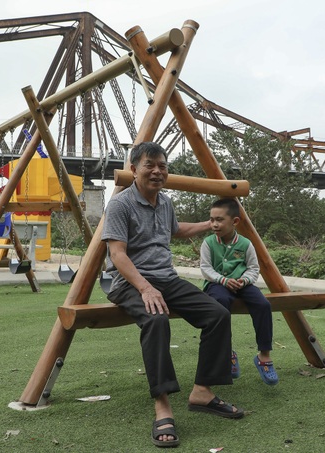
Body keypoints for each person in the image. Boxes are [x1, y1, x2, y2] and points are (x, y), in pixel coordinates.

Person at [102, 142, 244, 448]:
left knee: (217, 314)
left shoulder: (164, 202)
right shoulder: (120, 205)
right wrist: (145, 286)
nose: (157, 171)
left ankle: (202, 392)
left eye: (162, 166)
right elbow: (118, 254)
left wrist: (210, 224)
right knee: (157, 320)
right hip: (129, 281)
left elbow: (176, 230)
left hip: (166, 279)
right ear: (133, 170)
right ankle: (162, 404)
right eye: (149, 165)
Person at [200, 198, 279, 386]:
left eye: (219, 220)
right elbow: (205, 268)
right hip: (217, 283)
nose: (214, 224)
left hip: (242, 284)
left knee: (262, 305)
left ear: (234, 222)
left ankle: (264, 356)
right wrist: (223, 280)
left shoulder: (245, 244)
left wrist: (245, 280)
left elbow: (253, 268)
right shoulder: (208, 243)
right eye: (212, 220)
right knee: (220, 305)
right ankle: (227, 352)